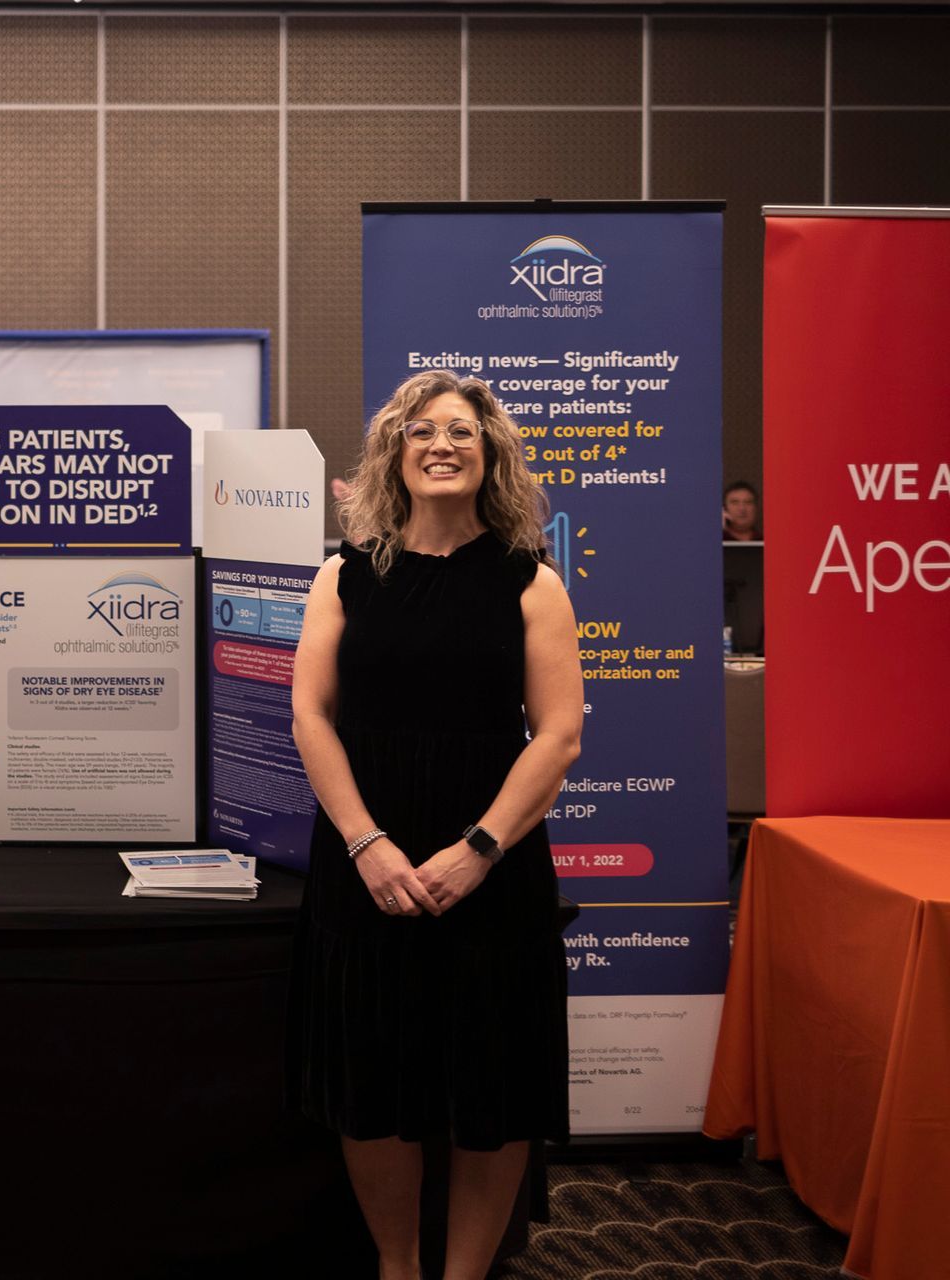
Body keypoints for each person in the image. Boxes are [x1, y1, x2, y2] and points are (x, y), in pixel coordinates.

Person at [290, 369, 583, 1280]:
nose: (440, 444)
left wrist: (480, 850)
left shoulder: (531, 583)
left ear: (489, 453)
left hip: (490, 873)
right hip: (362, 863)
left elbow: (560, 734)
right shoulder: (344, 577)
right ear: (394, 455)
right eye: (420, 432)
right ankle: (397, 1267)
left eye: (461, 430)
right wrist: (367, 845)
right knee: (371, 1085)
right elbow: (310, 716)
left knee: (489, 1087)